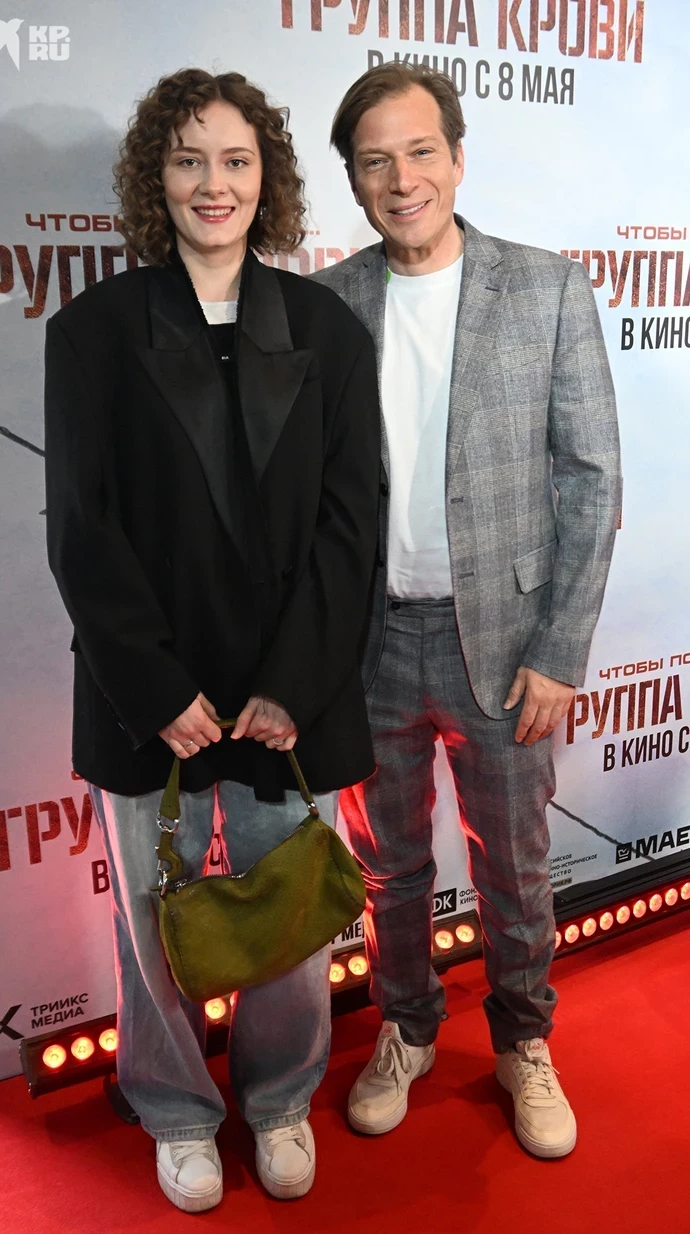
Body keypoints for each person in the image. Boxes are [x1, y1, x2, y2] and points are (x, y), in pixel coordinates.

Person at [44, 68, 380, 1212]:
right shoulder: (92, 333)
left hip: (291, 693)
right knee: (153, 923)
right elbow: (81, 529)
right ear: (157, 179)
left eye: (235, 159)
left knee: (290, 917)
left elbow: (350, 524)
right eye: (188, 160)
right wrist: (155, 686)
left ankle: (280, 1097)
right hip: (152, 695)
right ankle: (177, 1109)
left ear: (266, 176)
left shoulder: (328, 331)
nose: (213, 183)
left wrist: (297, 682)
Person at [312, 63, 621, 1159]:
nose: (402, 180)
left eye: (419, 151)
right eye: (375, 161)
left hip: (505, 644)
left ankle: (525, 1040)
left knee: (515, 866)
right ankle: (406, 1026)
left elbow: (592, 479)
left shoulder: (546, 289)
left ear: (456, 155)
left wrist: (561, 651)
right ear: (355, 180)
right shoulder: (327, 303)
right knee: (387, 867)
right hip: (368, 649)